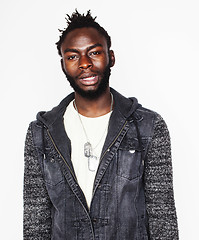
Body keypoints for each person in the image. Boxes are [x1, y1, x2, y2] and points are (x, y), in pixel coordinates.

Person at [23, 10, 179, 240]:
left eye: (94, 52)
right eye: (73, 56)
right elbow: (36, 223)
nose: (85, 63)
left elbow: (162, 216)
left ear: (111, 57)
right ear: (63, 64)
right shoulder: (41, 133)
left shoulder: (148, 126)